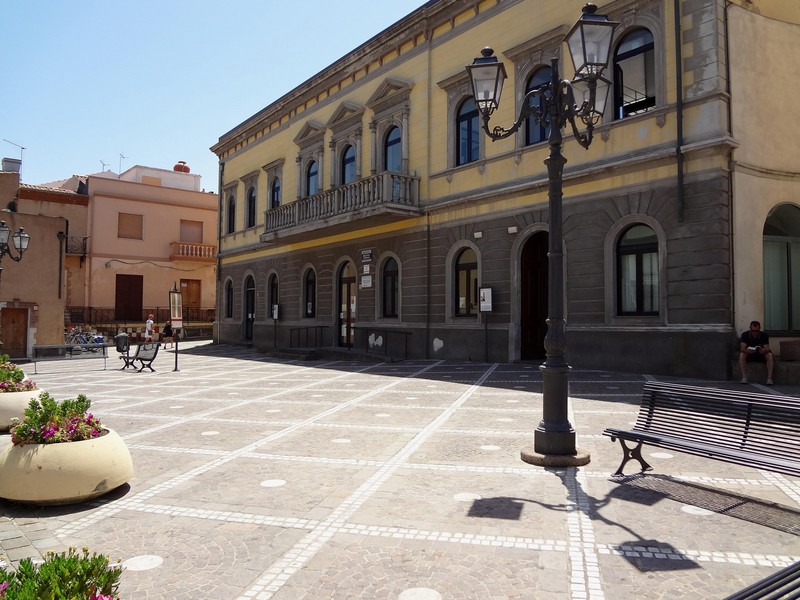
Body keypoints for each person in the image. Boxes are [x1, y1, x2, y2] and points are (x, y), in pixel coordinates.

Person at [739, 320, 774, 385]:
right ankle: (744, 378)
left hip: (760, 354)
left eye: (757, 331)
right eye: (753, 331)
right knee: (742, 355)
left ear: (759, 329)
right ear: (750, 329)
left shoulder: (764, 335)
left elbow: (767, 348)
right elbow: (742, 348)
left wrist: (764, 350)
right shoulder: (745, 335)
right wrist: (747, 351)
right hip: (749, 354)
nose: (755, 333)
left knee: (769, 355)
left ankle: (769, 379)